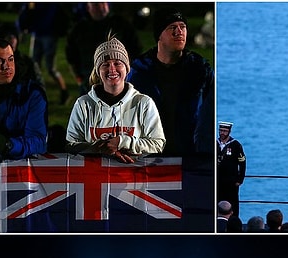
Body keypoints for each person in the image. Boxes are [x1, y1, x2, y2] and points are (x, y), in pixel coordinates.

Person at [65, 36, 165, 163]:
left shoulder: (143, 103)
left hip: (134, 177)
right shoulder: (83, 104)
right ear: (98, 71)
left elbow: (157, 144)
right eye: (105, 65)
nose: (112, 69)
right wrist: (99, 149)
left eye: (117, 63)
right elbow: (70, 145)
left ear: (126, 68)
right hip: (95, 177)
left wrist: (122, 142)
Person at [129, 7, 214, 155]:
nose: (179, 32)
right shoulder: (138, 72)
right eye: (172, 27)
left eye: (183, 27)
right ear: (159, 35)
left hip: (191, 156)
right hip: (149, 156)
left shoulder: (200, 69)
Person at [0, 38, 48, 160]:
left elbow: (39, 142)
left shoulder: (31, 94)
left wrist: (8, 145)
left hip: (21, 169)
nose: (6, 66)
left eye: (10, 60)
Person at [66, 2, 142, 96]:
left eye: (104, 3)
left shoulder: (121, 24)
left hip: (119, 80)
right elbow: (71, 54)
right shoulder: (79, 29)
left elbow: (135, 48)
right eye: (96, 4)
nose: (101, 7)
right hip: (88, 79)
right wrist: (78, 76)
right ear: (88, 7)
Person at [18, 3, 70, 104]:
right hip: (37, 33)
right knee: (33, 67)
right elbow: (26, 13)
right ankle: (36, 95)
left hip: (49, 35)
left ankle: (64, 92)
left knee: (50, 68)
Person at [216, 121, 246, 217]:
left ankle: (234, 223)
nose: (222, 133)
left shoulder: (236, 145)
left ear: (229, 131)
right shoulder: (214, 144)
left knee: (233, 204)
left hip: (231, 181)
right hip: (218, 180)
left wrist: (240, 179)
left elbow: (242, 163)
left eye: (225, 131)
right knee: (217, 202)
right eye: (221, 130)